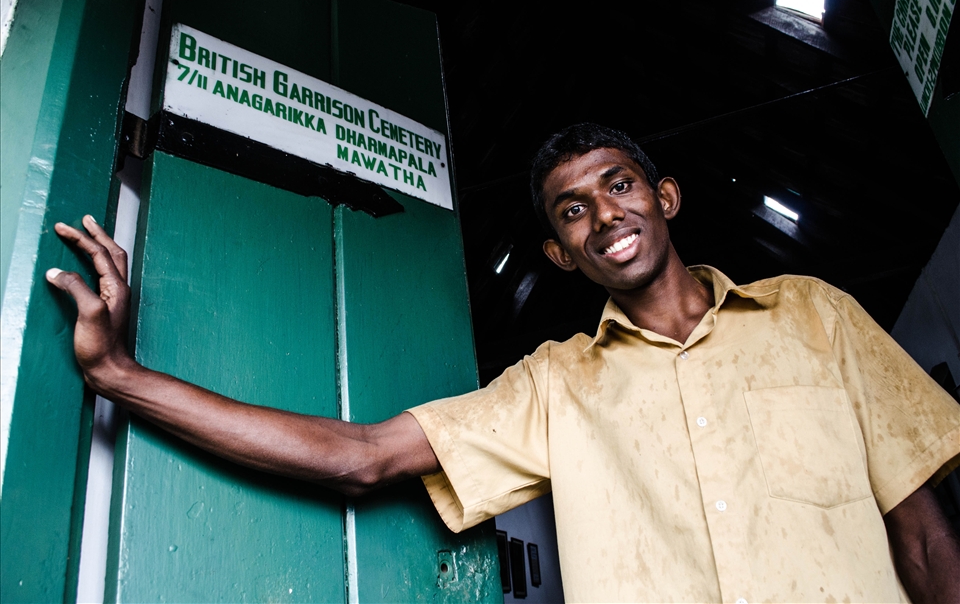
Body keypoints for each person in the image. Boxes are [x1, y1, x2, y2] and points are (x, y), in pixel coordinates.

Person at [47, 123, 959, 603]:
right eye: (571, 211)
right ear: (561, 255)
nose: (603, 215)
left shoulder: (815, 316)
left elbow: (920, 532)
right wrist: (122, 376)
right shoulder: (557, 384)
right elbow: (362, 455)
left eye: (619, 184)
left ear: (664, 197)